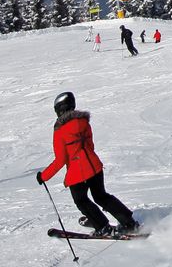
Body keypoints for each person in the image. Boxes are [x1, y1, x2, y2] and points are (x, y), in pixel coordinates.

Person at [36, 92, 139, 236]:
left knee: (81, 200)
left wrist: (43, 176)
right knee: (101, 196)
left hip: (78, 174)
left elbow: (60, 160)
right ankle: (129, 222)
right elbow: (90, 145)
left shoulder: (60, 131)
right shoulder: (83, 122)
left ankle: (102, 227)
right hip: (95, 166)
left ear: (61, 110)